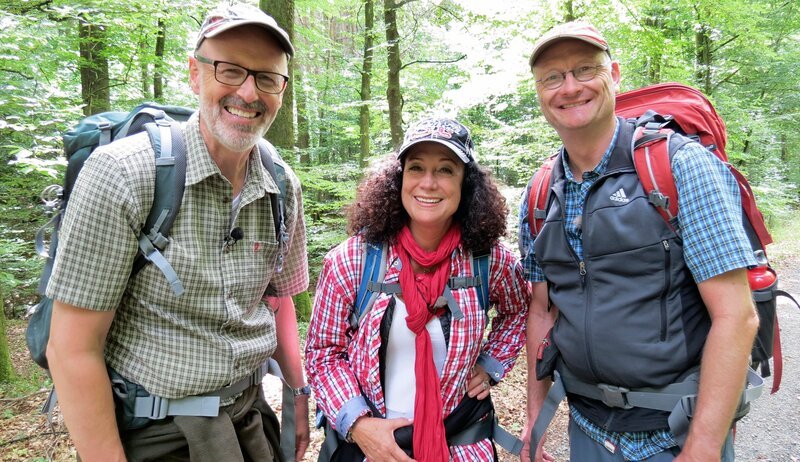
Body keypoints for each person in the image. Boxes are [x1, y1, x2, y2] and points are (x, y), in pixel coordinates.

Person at [45, 3, 310, 461]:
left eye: (267, 78)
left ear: (282, 90)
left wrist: (298, 394)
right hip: (160, 435)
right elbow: (72, 348)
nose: (249, 92)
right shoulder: (123, 174)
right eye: (230, 70)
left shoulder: (282, 184)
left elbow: (278, 299)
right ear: (195, 74)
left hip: (250, 423)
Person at [518, 21, 759, 462]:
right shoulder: (539, 194)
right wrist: (536, 417)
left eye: (585, 69)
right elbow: (542, 310)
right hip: (587, 428)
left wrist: (704, 445)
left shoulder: (680, 166)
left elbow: (736, 316)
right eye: (552, 77)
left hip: (676, 431)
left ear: (614, 75)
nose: (569, 87)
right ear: (539, 91)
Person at [305, 117, 529, 461]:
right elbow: (322, 353)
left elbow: (519, 310)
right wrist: (359, 425)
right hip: (369, 448)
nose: (428, 183)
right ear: (399, 179)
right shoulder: (354, 261)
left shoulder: (487, 261)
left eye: (445, 169)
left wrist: (490, 364)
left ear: (466, 183)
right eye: (416, 168)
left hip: (460, 443)